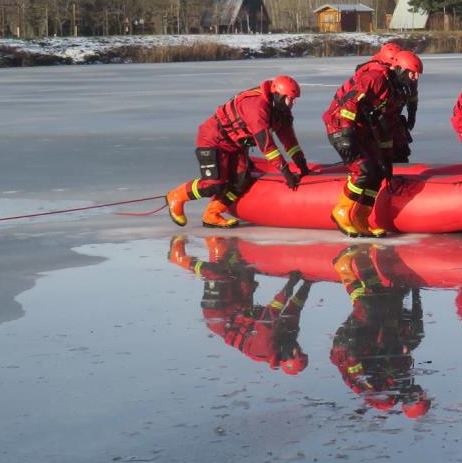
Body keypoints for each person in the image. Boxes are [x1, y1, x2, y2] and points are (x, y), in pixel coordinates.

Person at [166, 76, 309, 229]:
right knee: (213, 186)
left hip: (236, 145)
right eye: (290, 99)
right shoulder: (256, 108)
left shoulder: (282, 112)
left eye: (294, 100)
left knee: (241, 181)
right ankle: (176, 196)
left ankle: (212, 214)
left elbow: (290, 141)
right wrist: (285, 171)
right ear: (279, 95)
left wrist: (302, 164)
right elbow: (267, 145)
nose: (293, 103)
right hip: (213, 140)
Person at [168, 236, 312, 374]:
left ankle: (177, 257)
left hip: (220, 316)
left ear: (286, 358)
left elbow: (271, 312)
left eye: (296, 353)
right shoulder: (289, 336)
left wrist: (291, 283)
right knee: (244, 270)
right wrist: (307, 284)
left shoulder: (264, 347)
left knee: (216, 274)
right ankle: (216, 246)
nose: (297, 348)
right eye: (300, 351)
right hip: (241, 309)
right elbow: (294, 309)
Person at [323, 49, 418, 238]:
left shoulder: (396, 92)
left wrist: (387, 157)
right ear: (399, 69)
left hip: (362, 130)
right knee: (364, 170)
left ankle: (361, 217)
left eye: (417, 75)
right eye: (411, 73)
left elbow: (387, 125)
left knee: (380, 171)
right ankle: (341, 210)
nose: (414, 78)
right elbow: (349, 104)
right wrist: (347, 132)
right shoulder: (375, 78)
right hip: (341, 125)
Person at [329, 245, 429, 416]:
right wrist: (408, 296)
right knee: (385, 300)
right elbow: (392, 342)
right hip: (368, 344)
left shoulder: (383, 395)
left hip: (349, 350)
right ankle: (363, 260)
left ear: (411, 400)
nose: (420, 390)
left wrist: (354, 349)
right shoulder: (402, 373)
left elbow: (357, 374)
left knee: (368, 308)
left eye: (419, 395)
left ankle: (342, 267)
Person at [375, 43, 422, 161]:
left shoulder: (407, 73)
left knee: (401, 150)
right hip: (377, 119)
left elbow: (412, 95)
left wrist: (412, 115)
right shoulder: (376, 76)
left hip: (393, 115)